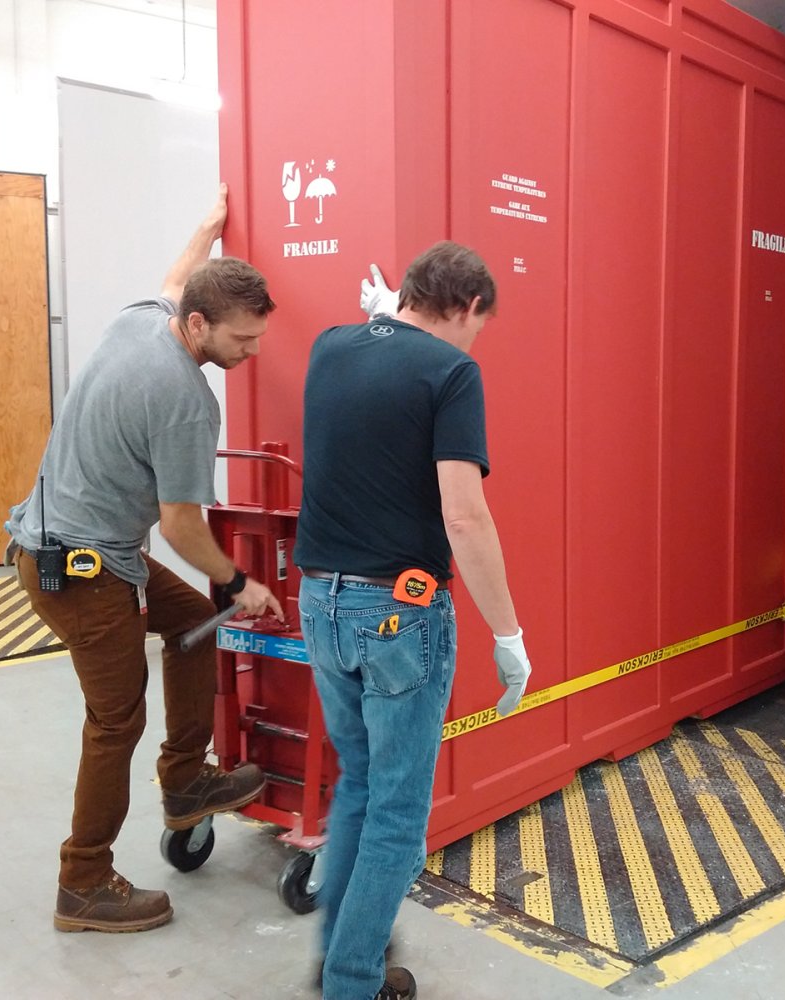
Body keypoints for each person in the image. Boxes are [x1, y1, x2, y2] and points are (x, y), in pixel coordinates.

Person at [4, 184, 284, 934]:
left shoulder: (145, 321)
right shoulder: (188, 400)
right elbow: (181, 527)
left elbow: (174, 278)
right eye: (241, 340)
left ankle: (187, 779)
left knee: (193, 621)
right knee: (114, 719)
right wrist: (241, 582)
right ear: (200, 326)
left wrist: (208, 227)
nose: (250, 354)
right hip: (80, 572)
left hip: (67, 542)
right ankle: (84, 880)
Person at [295, 243, 532, 1000]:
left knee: (360, 782)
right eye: (478, 326)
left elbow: (377, 371)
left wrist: (380, 319)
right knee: (399, 814)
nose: (474, 343)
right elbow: (463, 517)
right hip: (398, 615)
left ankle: (339, 958)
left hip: (321, 604)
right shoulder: (452, 373)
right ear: (465, 309)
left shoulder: (331, 346)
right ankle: (352, 982)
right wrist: (508, 636)